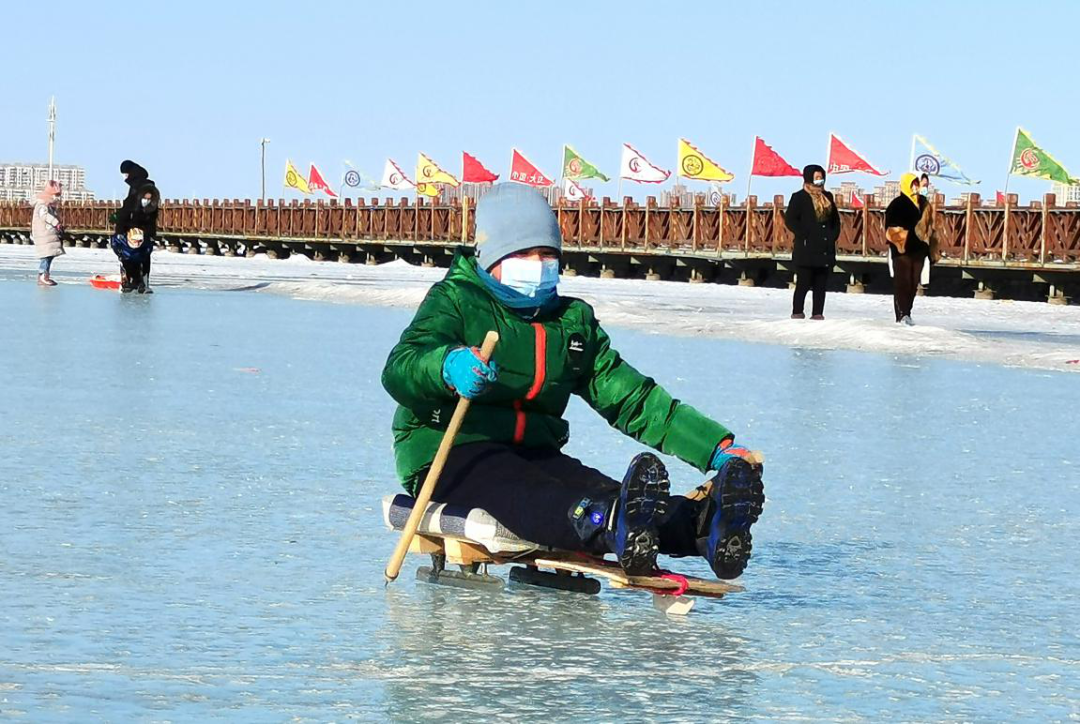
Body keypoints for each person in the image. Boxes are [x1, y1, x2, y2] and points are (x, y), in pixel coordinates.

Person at [382, 183, 765, 580]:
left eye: (548, 254)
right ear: (491, 257)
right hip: (451, 452)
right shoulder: (457, 300)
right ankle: (606, 523)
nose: (538, 263)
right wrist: (447, 365)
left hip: (534, 450)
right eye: (523, 254)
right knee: (540, 496)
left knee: (610, 493)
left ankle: (703, 526)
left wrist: (716, 448)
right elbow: (401, 367)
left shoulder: (570, 323)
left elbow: (632, 398)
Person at [784, 164, 840, 320]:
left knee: (821, 285)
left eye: (821, 177)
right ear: (809, 178)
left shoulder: (827, 197)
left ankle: (817, 313)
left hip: (824, 248)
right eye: (816, 177)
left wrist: (832, 236)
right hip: (806, 248)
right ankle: (797, 312)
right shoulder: (799, 197)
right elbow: (790, 220)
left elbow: (835, 221)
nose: (819, 181)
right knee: (803, 283)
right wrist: (804, 233)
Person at [885, 173, 936, 325]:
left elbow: (930, 227)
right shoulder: (898, 203)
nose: (916, 187)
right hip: (901, 250)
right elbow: (890, 225)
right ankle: (901, 314)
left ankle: (908, 312)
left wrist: (932, 247)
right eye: (913, 184)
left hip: (919, 250)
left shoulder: (924, 204)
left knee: (913, 283)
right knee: (903, 282)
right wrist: (901, 236)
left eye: (917, 184)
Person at [111, 160, 160, 293]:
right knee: (141, 256)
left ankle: (132, 281)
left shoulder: (137, 187)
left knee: (130, 254)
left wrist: (120, 227)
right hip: (143, 229)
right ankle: (140, 281)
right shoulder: (146, 186)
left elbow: (128, 210)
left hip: (133, 229)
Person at [31, 181, 64, 286]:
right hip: (44, 234)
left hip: (48, 233)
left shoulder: (50, 205)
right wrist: (56, 222)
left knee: (49, 255)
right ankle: (43, 275)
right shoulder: (42, 204)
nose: (57, 198)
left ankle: (45, 274)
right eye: (56, 195)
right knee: (46, 255)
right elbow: (44, 216)